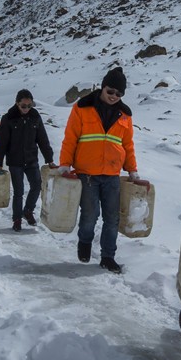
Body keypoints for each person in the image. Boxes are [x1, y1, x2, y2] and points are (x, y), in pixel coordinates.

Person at [58, 67, 140, 274]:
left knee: (112, 218)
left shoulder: (125, 115)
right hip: (87, 173)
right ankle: (84, 242)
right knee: (90, 215)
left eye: (119, 94)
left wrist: (132, 170)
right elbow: (70, 138)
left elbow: (128, 145)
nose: (114, 96)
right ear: (103, 87)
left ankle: (108, 257)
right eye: (110, 91)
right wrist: (65, 164)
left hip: (112, 175)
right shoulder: (82, 107)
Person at [0, 90, 54, 231]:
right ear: (17, 103)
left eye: (29, 106)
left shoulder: (35, 117)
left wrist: (49, 159)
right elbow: (1, 142)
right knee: (18, 191)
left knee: (36, 186)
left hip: (31, 160)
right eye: (23, 106)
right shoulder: (9, 118)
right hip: (15, 161)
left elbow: (42, 139)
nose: (26, 109)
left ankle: (28, 211)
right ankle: (17, 219)